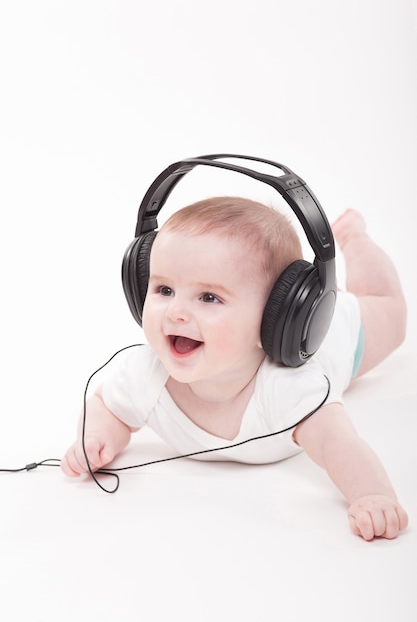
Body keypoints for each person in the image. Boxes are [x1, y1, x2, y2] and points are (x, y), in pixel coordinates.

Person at [61, 197, 409, 541]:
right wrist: (95, 439)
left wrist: (371, 495)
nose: (176, 312)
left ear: (275, 318)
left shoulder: (288, 388)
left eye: (209, 297)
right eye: (165, 289)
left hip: (340, 335)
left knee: (387, 311)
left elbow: (338, 443)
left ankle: (355, 238)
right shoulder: (145, 374)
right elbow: (109, 407)